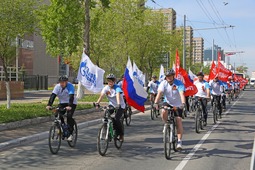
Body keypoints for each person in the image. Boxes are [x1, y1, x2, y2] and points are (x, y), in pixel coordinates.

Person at [154, 69, 186, 150]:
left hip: (178, 104)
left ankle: (179, 141)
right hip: (168, 102)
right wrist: (156, 102)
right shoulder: (163, 83)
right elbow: (160, 93)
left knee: (178, 120)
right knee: (164, 110)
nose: (168, 77)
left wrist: (183, 104)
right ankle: (166, 124)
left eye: (170, 76)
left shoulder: (179, 83)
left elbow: (181, 94)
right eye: (167, 76)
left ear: (173, 76)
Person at [46, 75, 77, 142]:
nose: (62, 84)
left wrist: (69, 106)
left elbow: (71, 97)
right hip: (62, 103)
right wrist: (49, 105)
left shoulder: (70, 86)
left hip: (71, 103)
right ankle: (62, 128)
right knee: (57, 113)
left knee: (69, 116)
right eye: (61, 82)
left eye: (63, 82)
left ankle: (70, 134)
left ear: (66, 82)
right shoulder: (57, 87)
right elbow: (53, 96)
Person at [95, 74, 125, 141]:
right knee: (106, 116)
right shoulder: (106, 88)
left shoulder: (117, 88)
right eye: (108, 81)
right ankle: (107, 132)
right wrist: (97, 103)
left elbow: (117, 95)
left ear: (114, 81)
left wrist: (118, 104)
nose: (110, 83)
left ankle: (121, 134)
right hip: (112, 105)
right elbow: (101, 96)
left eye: (111, 81)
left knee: (117, 119)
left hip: (120, 105)